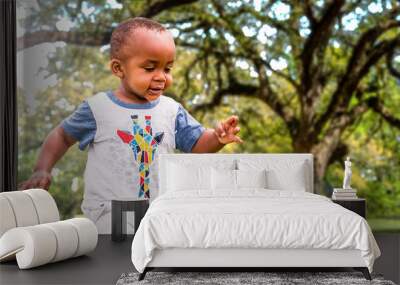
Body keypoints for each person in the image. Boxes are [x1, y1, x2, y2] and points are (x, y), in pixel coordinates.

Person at [19, 17, 243, 233]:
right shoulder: (98, 109)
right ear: (118, 68)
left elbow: (198, 143)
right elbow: (62, 135)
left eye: (167, 69)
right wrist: (42, 168)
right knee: (112, 263)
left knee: (153, 264)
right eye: (149, 68)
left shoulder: (171, 110)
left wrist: (217, 138)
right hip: (108, 215)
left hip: (158, 213)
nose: (161, 77)